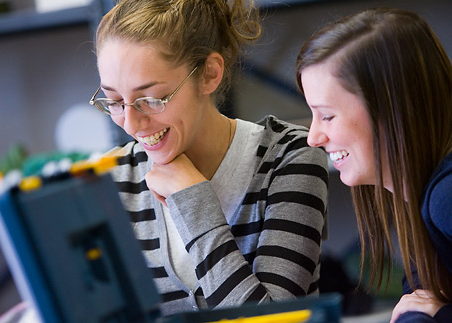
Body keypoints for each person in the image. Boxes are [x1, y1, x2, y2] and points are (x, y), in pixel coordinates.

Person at [89, 0, 328, 317]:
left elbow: (274, 318)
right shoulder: (111, 179)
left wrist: (193, 201)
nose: (131, 124)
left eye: (150, 99)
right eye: (116, 101)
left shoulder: (289, 157)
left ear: (210, 74)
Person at [295, 7, 452, 323]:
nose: (313, 137)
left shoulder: (446, 197)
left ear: (393, 111)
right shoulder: (422, 195)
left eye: (327, 115)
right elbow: (420, 295)